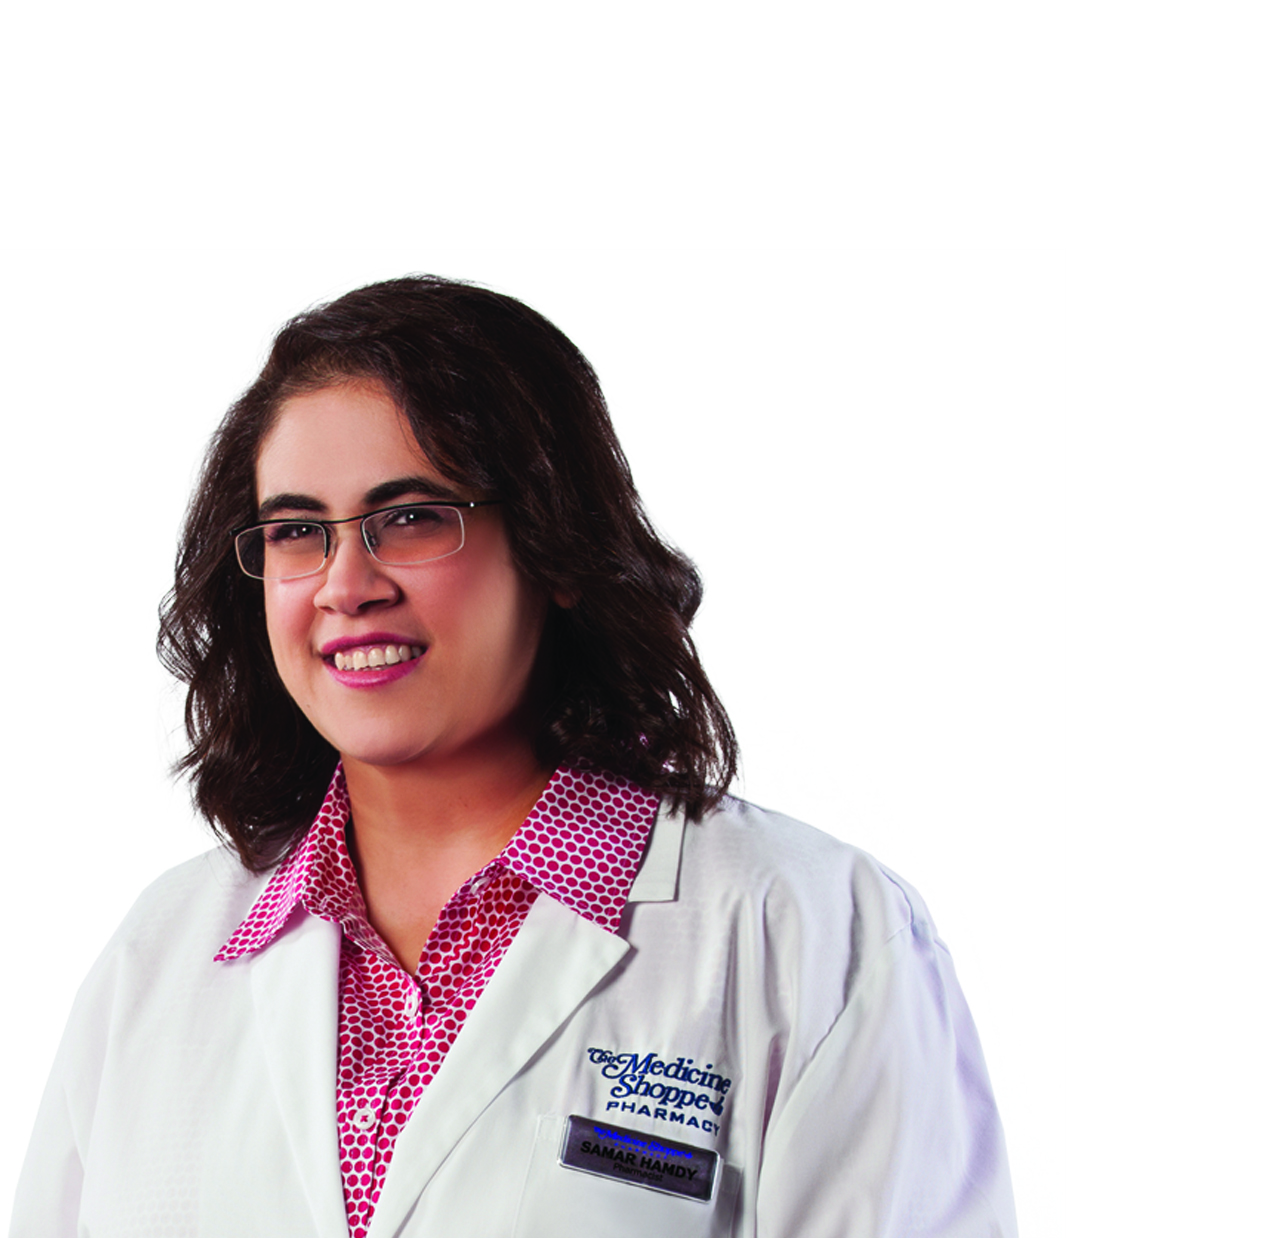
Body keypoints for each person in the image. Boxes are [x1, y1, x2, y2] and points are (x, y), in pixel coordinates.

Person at [11, 276, 1016, 1237]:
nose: (345, 584)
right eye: (297, 531)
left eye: (411, 517)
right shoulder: (162, 954)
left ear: (554, 545)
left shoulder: (804, 932)